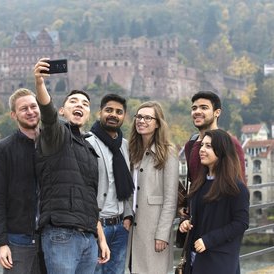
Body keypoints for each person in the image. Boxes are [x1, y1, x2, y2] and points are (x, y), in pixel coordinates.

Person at [33, 58, 110, 274]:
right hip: (61, 234)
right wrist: (39, 83)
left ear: (88, 114)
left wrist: (100, 239)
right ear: (62, 111)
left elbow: (90, 201)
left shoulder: (89, 149)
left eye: (85, 104)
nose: (80, 105)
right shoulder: (56, 135)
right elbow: (47, 114)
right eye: (73, 101)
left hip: (88, 237)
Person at [0, 88, 46, 274]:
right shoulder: (2, 149)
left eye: (33, 106)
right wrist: (1, 243)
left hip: (51, 239)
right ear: (14, 115)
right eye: (23, 109)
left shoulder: (51, 144)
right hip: (19, 240)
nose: (30, 111)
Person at [179, 129, 249, 274]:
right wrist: (185, 222)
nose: (202, 150)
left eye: (208, 146)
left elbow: (241, 223)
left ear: (222, 150)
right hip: (194, 259)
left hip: (219, 261)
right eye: (202, 145)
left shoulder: (236, 188)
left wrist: (209, 240)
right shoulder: (199, 183)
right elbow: (196, 214)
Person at [128, 101, 179, 274]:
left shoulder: (168, 152)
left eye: (148, 117)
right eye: (139, 117)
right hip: (132, 229)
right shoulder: (132, 150)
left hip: (154, 229)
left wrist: (163, 234)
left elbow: (170, 199)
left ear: (157, 123)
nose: (142, 121)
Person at [86, 94, 134, 274]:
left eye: (118, 112)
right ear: (100, 113)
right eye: (109, 110)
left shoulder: (125, 146)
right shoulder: (87, 143)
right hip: (97, 226)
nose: (113, 115)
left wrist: (128, 216)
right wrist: (96, 225)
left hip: (121, 227)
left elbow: (129, 184)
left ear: (124, 116)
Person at [179, 90, 246, 217]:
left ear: (217, 112)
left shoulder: (230, 143)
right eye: (194, 108)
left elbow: (240, 186)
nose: (197, 111)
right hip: (193, 220)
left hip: (219, 220)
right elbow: (194, 182)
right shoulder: (191, 145)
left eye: (204, 107)